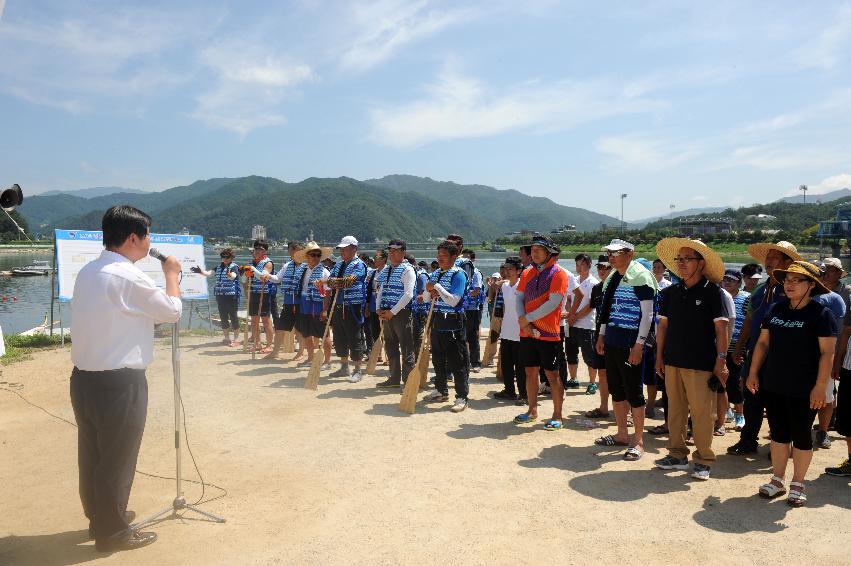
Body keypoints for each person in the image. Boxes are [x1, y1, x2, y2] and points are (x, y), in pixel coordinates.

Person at [70, 205, 182, 552]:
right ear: (132, 237)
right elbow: (171, 311)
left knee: (93, 453)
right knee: (118, 458)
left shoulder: (89, 271)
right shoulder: (128, 276)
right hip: (120, 381)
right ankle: (113, 532)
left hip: (84, 378)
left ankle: (100, 517)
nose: (150, 242)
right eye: (147, 235)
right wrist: (172, 275)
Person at [747, 261, 837, 506]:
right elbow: (763, 344)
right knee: (778, 434)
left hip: (805, 388)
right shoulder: (776, 309)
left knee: (801, 436)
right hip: (774, 383)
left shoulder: (821, 314)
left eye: (797, 280)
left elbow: (827, 354)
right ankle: (778, 480)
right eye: (787, 279)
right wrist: (753, 372)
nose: (789, 284)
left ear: (811, 285)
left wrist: (820, 386)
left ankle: (798, 483)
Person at [654, 238, 728, 480]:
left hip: (701, 363)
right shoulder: (670, 293)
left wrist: (721, 360)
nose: (682, 263)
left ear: (701, 263)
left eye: (688, 259)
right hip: (673, 360)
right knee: (674, 410)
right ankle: (676, 454)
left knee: (702, 413)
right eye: (679, 259)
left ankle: (704, 459)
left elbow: (721, 330)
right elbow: (662, 327)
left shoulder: (713, 293)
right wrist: (659, 357)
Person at [728, 241, 801, 455]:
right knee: (752, 399)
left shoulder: (793, 290)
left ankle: (780, 444)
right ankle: (748, 440)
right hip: (755, 353)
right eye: (767, 258)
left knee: (779, 401)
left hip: (782, 356)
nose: (769, 262)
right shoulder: (760, 289)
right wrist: (739, 347)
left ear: (788, 263)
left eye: (774, 258)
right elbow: (750, 320)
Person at [594, 239, 657, 461]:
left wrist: (640, 344)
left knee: (634, 391)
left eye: (615, 253)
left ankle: (638, 441)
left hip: (631, 340)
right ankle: (622, 433)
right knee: (616, 390)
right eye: (608, 253)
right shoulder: (613, 276)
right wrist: (601, 334)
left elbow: (648, 314)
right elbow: (606, 308)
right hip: (612, 337)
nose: (610, 257)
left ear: (629, 253)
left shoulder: (641, 275)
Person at [513, 236, 569, 430]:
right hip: (526, 331)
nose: (534, 253)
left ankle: (557, 415)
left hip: (549, 332)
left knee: (552, 375)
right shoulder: (527, 272)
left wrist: (527, 319)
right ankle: (532, 410)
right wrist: (524, 321)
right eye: (533, 250)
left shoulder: (558, 273)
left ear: (549, 252)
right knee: (530, 371)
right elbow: (519, 298)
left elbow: (553, 303)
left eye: (539, 249)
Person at [421, 239, 469, 412]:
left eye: (444, 255)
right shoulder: (435, 273)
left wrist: (437, 288)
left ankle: (462, 397)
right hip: (437, 320)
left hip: (454, 322)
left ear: (454, 256)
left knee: (457, 362)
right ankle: (441, 390)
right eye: (438, 255)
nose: (440, 259)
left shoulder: (459, 274)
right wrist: (429, 290)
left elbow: (454, 301)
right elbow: (427, 298)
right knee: (438, 359)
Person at [322, 236, 369, 383]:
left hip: (353, 305)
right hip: (338, 304)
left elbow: (349, 281)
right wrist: (332, 281)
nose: (342, 251)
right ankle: (344, 366)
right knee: (339, 337)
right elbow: (331, 280)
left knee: (355, 336)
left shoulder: (359, 264)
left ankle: (358, 369)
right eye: (341, 249)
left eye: (345, 249)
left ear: (354, 249)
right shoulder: (339, 264)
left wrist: (333, 281)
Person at [812, 259, 847, 449]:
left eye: (823, 274)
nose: (821, 277)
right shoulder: (797, 296)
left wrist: (836, 362)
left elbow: (840, 333)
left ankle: (823, 431)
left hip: (825, 355)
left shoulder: (835, 299)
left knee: (826, 398)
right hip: (799, 357)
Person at [374, 239, 416, 387]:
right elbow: (381, 290)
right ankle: (394, 378)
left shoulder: (408, 270)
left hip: (401, 313)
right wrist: (378, 308)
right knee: (390, 347)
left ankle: (408, 381)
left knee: (406, 348)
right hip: (386, 313)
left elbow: (408, 294)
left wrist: (392, 312)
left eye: (395, 251)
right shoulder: (386, 269)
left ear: (403, 252)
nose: (392, 253)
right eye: (390, 251)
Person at [262, 241, 305, 359]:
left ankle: (300, 353)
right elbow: (277, 279)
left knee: (299, 329)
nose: (291, 253)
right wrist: (269, 276)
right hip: (288, 303)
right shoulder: (287, 265)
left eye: (294, 250)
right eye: (290, 250)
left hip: (301, 303)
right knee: (280, 328)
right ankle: (275, 351)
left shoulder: (306, 267)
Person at [293, 241, 332, 368]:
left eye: (317, 255)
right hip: (304, 304)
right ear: (307, 256)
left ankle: (327, 361)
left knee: (324, 334)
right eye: (313, 254)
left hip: (318, 305)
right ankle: (310, 358)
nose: (315, 257)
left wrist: (325, 310)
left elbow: (328, 292)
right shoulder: (302, 270)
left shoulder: (324, 272)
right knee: (306, 333)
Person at [720, 269, 750, 432]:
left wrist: (742, 347)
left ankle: (740, 414)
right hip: (720, 347)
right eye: (725, 279)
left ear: (739, 282)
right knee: (720, 383)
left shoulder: (746, 298)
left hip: (737, 347)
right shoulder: (720, 296)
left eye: (731, 280)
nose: (727, 282)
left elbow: (749, 324)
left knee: (736, 382)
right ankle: (726, 411)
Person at [194, 248, 241, 347]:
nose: (225, 259)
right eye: (223, 257)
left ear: (231, 257)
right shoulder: (219, 267)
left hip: (231, 296)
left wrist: (230, 275)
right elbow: (210, 273)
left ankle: (236, 339)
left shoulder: (234, 267)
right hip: (220, 296)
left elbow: (233, 276)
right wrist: (200, 271)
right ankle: (226, 337)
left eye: (227, 257)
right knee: (223, 317)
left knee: (233, 317)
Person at [567, 254, 600, 395]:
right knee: (571, 352)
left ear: (589, 265)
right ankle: (573, 379)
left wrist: (575, 316)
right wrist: (570, 313)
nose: (579, 267)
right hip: (572, 323)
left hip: (587, 324)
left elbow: (591, 305)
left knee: (589, 355)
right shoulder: (573, 280)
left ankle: (592, 382)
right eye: (577, 265)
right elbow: (568, 299)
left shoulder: (594, 283)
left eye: (582, 264)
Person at [585, 255, 612, 419]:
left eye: (606, 267)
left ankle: (628, 411)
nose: (602, 271)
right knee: (602, 372)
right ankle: (603, 407)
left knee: (621, 373)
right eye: (599, 268)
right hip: (599, 335)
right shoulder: (596, 288)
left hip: (617, 335)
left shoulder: (618, 287)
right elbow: (592, 309)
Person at [494, 258, 524, 401]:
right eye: (506, 269)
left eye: (510, 269)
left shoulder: (523, 286)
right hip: (506, 330)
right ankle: (509, 391)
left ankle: (524, 394)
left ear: (518, 271)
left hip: (520, 332)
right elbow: (506, 307)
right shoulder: (505, 287)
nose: (507, 272)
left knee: (520, 366)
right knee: (506, 364)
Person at [247, 239, 275, 354]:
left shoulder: (268, 262)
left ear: (265, 251)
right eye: (256, 248)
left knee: (266, 320)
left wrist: (252, 270)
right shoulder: (252, 262)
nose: (258, 251)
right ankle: (257, 343)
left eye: (261, 249)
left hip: (264, 293)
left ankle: (269, 344)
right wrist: (245, 273)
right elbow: (246, 280)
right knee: (254, 320)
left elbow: (263, 277)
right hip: (253, 292)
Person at [461, 249, 484, 372]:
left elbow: (477, 291)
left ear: (472, 260)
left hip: (472, 309)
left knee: (472, 336)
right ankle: (463, 362)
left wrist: (462, 293)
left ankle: (476, 363)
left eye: (467, 258)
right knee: (461, 336)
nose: (464, 260)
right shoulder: (459, 272)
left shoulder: (476, 273)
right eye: (463, 257)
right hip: (461, 309)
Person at [364, 249, 387, 363]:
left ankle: (387, 356)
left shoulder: (388, 271)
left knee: (386, 331)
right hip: (373, 304)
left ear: (383, 259)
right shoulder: (372, 272)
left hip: (384, 305)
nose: (374, 260)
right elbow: (368, 291)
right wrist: (367, 306)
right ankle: (378, 354)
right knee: (375, 330)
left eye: (377, 258)